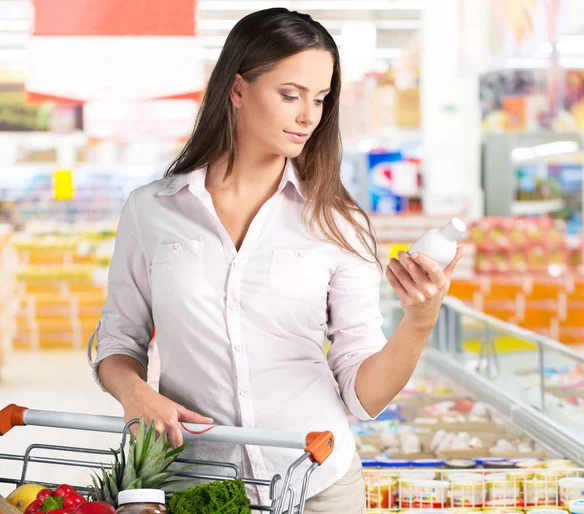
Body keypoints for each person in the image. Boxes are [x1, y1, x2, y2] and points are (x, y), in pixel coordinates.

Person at [89, 7, 462, 514]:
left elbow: (364, 396)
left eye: (320, 99)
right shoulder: (152, 210)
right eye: (290, 95)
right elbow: (117, 341)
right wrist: (135, 393)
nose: (309, 115)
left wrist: (420, 319)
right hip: (199, 483)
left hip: (317, 482)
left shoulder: (337, 221)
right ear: (238, 91)